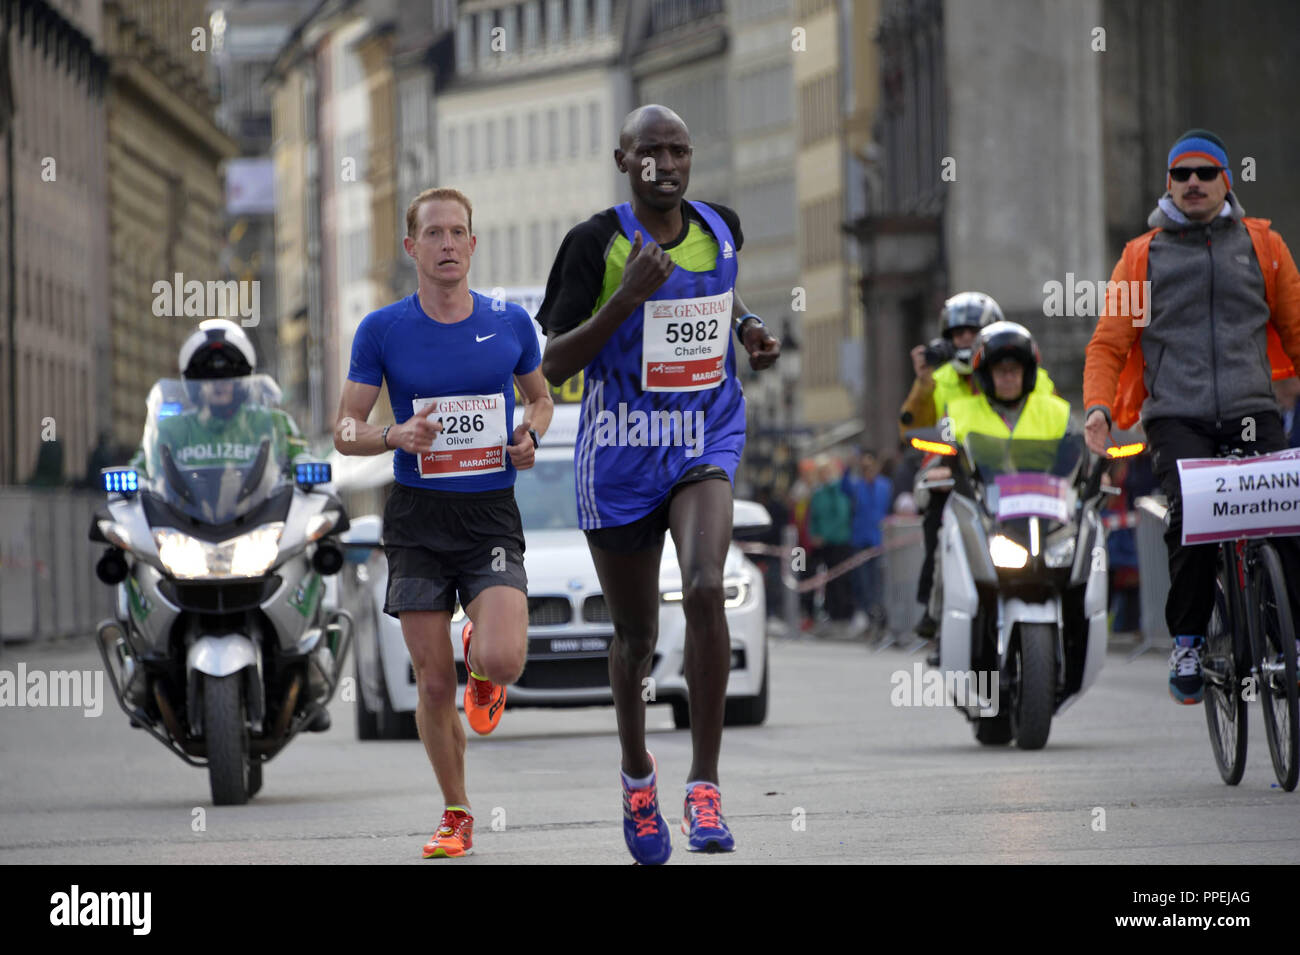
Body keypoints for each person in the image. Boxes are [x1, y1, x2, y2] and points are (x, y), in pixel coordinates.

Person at [536, 104, 780, 864]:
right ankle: (638, 778)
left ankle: (703, 784)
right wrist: (626, 297)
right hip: (618, 450)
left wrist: (745, 328)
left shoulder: (722, 224)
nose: (666, 165)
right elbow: (553, 366)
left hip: (704, 432)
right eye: (651, 153)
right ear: (623, 160)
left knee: (706, 585)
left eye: (678, 150)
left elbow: (720, 289)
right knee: (637, 634)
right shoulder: (594, 244)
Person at [334, 186, 554, 858]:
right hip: (418, 518)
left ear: (473, 244)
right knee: (432, 683)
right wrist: (395, 434)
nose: (448, 244)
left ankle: (482, 670)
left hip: (488, 513)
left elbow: (541, 400)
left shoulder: (510, 323)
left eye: (458, 232)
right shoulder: (382, 330)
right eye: (434, 234)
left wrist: (530, 437)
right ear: (412, 248)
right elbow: (345, 429)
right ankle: (456, 811)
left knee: (502, 655)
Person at [1083, 128, 1300, 704]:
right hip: (1177, 414)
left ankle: (1291, 638)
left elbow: (1295, 328)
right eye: (1183, 175)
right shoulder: (1141, 256)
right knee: (1193, 512)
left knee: (1287, 513)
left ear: (1226, 181)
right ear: (1170, 186)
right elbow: (1109, 343)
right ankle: (1187, 639)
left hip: (1253, 409)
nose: (1194, 183)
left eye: (1206, 173)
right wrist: (1100, 407)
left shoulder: (1263, 245)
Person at [901, 292, 1056, 643]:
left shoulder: (1036, 379)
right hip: (961, 473)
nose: (965, 341)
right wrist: (923, 383)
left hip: (1023, 476)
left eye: (973, 332)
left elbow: (1057, 425)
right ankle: (935, 601)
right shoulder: (940, 380)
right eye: (958, 334)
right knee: (939, 518)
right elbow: (912, 426)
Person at [130, 319, 310, 477]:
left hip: (263, 515)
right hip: (181, 516)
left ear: (242, 382)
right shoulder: (169, 430)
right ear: (194, 383)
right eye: (209, 378)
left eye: (228, 376)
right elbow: (140, 468)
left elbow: (303, 458)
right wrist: (135, 477)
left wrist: (304, 465)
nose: (219, 383)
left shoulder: (272, 423)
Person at [841, 448, 893, 631]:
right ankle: (865, 612)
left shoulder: (885, 486)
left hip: (878, 539)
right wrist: (848, 467)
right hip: (860, 539)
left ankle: (876, 614)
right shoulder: (857, 486)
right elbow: (844, 487)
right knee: (861, 580)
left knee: (877, 581)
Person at [809, 455, 854, 624]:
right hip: (824, 544)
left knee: (841, 579)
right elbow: (813, 517)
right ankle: (831, 611)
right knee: (827, 579)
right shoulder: (818, 494)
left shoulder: (838, 491)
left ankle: (843, 613)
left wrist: (825, 535)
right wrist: (815, 534)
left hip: (839, 541)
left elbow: (841, 516)